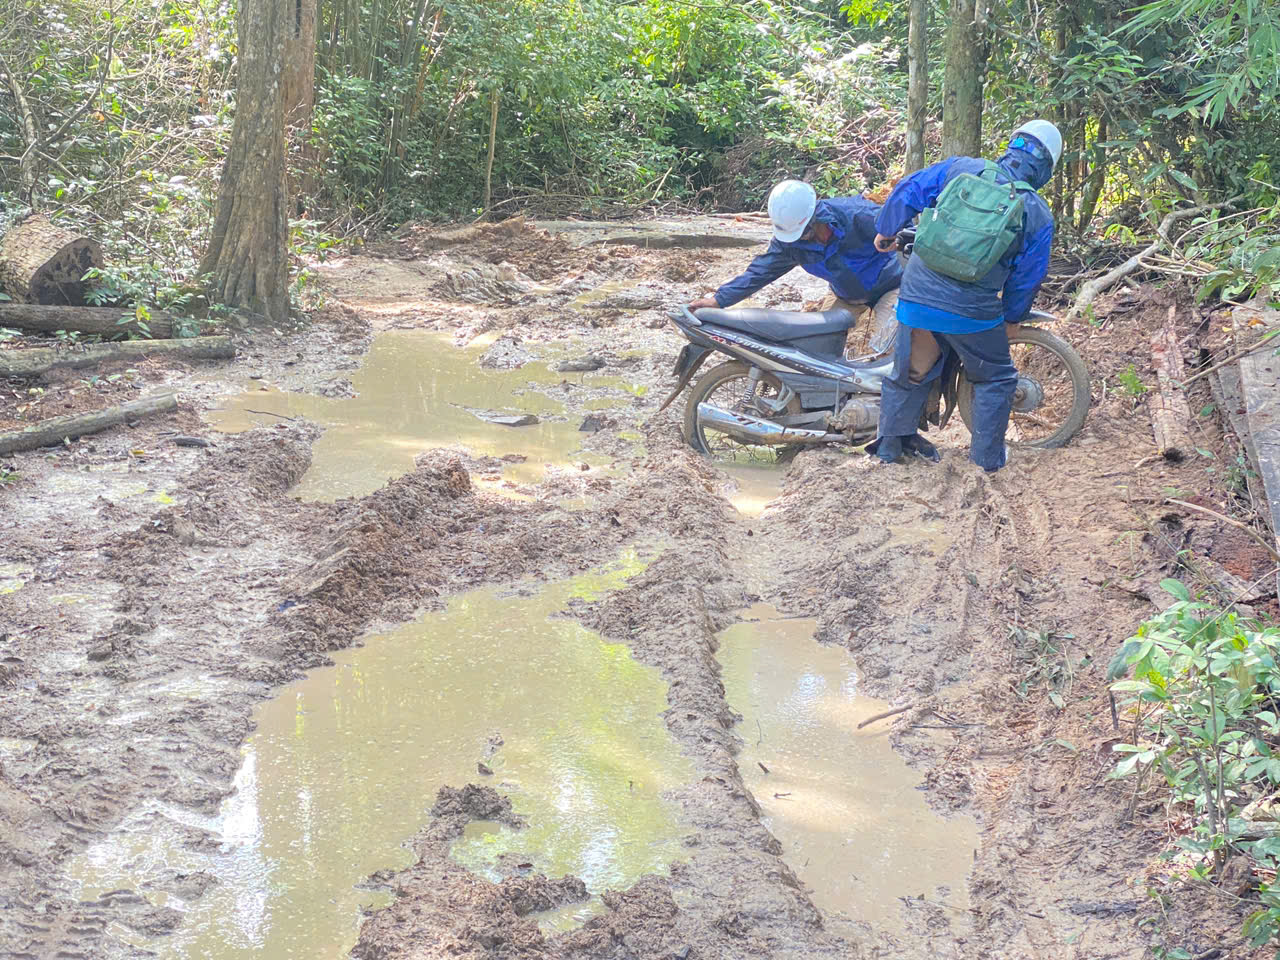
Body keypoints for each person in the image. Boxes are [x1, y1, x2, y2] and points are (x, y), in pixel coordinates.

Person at [866, 119, 1061, 472]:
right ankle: (986, 462)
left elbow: (910, 188)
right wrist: (1013, 318)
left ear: (1011, 145)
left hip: (917, 295)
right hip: (971, 312)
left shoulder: (962, 168)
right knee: (996, 377)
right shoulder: (1036, 211)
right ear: (1047, 166)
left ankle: (890, 448)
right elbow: (1028, 276)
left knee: (911, 368)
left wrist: (885, 229)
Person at [688, 180, 903, 357]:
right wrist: (719, 299)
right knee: (816, 348)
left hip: (890, 287)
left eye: (806, 233)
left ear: (816, 218)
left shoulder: (859, 215)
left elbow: (907, 233)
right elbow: (760, 271)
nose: (802, 239)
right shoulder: (789, 243)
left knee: (890, 349)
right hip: (845, 295)